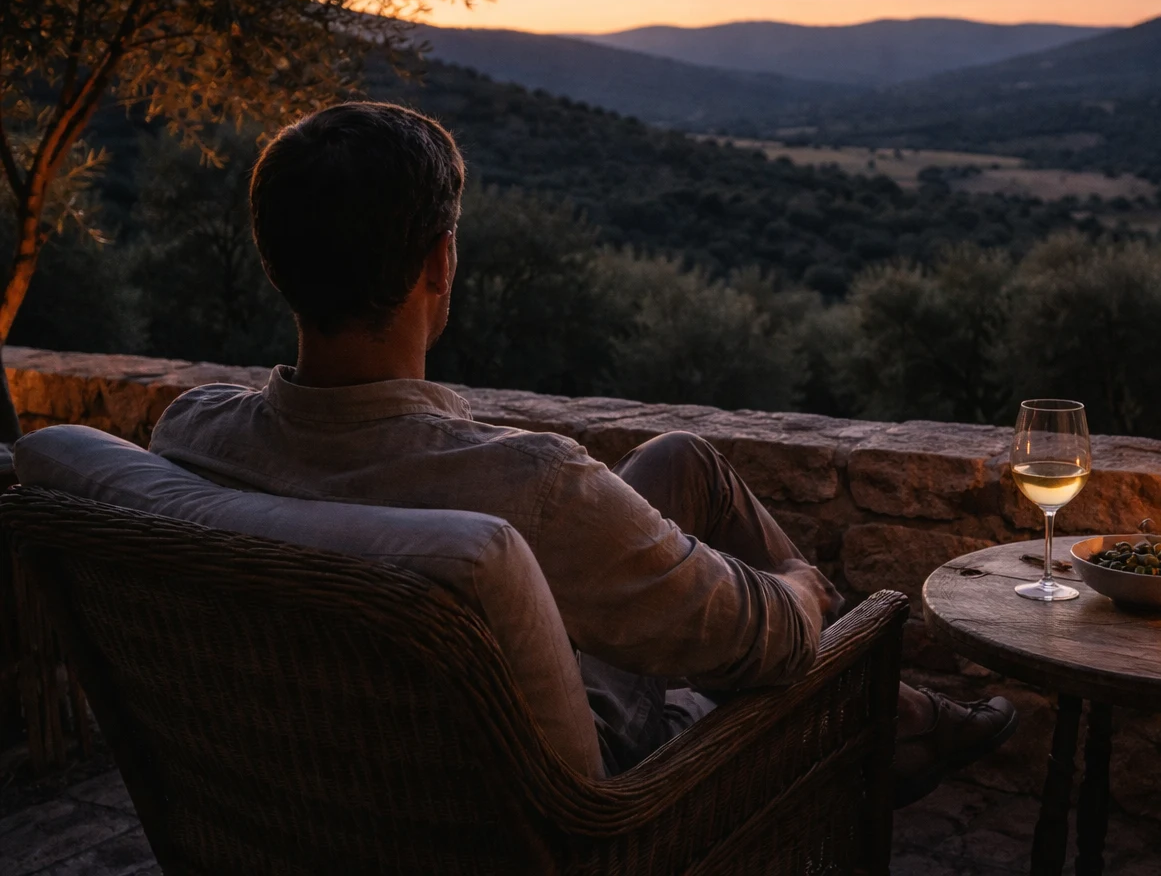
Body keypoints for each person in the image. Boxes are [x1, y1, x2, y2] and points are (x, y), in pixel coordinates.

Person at [148, 101, 1017, 805]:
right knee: (795, 622)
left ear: (276, 262)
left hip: (335, 763)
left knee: (682, 459)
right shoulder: (526, 488)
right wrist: (803, 594)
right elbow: (768, 643)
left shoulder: (190, 435)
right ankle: (897, 723)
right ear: (440, 264)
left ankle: (905, 719)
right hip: (575, 795)